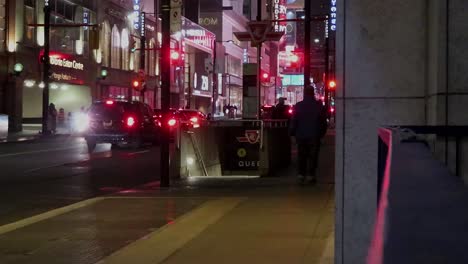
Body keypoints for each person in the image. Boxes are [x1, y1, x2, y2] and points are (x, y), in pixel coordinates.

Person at [289, 88, 327, 184]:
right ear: (313, 93)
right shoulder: (318, 106)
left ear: (304, 94)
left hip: (301, 135)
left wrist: (292, 133)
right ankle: (311, 175)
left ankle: (301, 174)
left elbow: (294, 121)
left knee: (302, 155)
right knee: (313, 156)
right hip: (314, 134)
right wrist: (322, 134)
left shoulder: (298, 106)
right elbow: (323, 122)